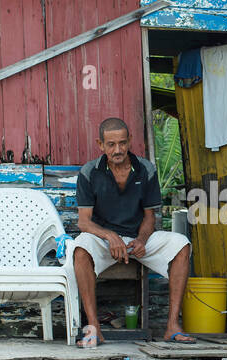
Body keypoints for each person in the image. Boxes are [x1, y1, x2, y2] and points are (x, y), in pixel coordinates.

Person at [71, 117, 194, 346]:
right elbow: (84, 222)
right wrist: (109, 236)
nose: (118, 150)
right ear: (100, 144)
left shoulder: (145, 169)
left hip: (137, 239)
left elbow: (150, 216)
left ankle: (172, 326)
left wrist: (142, 239)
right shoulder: (89, 172)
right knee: (80, 249)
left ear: (130, 141)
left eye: (122, 143)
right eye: (111, 144)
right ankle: (94, 328)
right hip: (105, 240)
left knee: (181, 244)